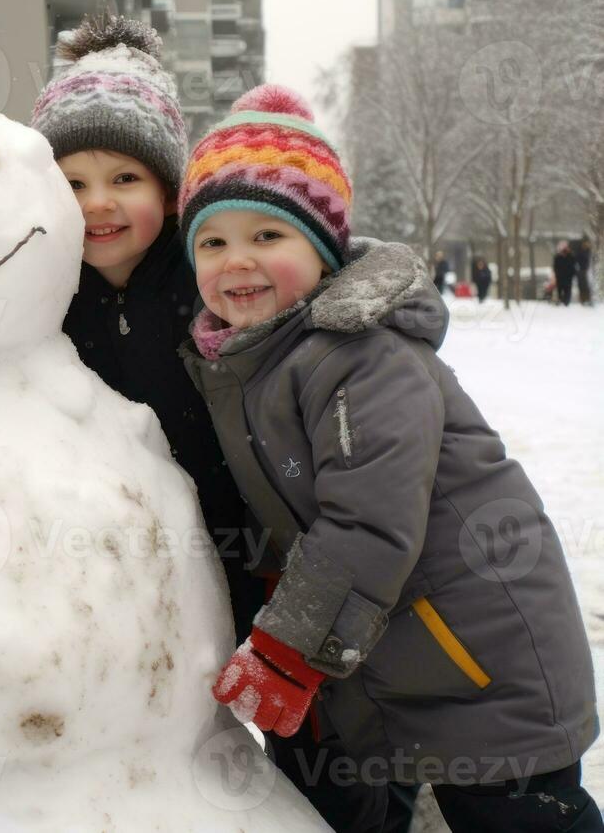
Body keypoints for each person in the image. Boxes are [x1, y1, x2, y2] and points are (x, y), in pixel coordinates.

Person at [179, 84, 600, 833]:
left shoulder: (361, 356)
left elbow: (367, 519)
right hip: (410, 660)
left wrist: (285, 646)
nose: (236, 260)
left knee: (517, 818)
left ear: (323, 249)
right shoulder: (249, 365)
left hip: (482, 663)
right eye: (212, 242)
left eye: (267, 237)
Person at [31, 14, 265, 647]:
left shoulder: (209, 278)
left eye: (124, 179)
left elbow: (301, 275)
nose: (96, 202)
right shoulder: (46, 293)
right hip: (130, 572)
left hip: (251, 547)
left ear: (169, 193)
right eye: (72, 183)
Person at [554, 241, 577, 306]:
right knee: (560, 289)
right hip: (560, 277)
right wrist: (557, 274)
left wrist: (572, 274)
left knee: (567, 290)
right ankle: (560, 300)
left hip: (568, 277)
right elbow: (555, 267)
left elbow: (573, 266)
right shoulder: (557, 257)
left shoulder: (571, 257)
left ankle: (566, 301)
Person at [576, 238, 593, 306]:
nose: (586, 245)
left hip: (586, 270)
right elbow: (577, 259)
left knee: (586, 285)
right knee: (581, 285)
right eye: (585, 244)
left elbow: (588, 260)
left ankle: (588, 299)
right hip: (580, 270)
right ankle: (582, 299)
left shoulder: (588, 251)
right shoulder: (579, 251)